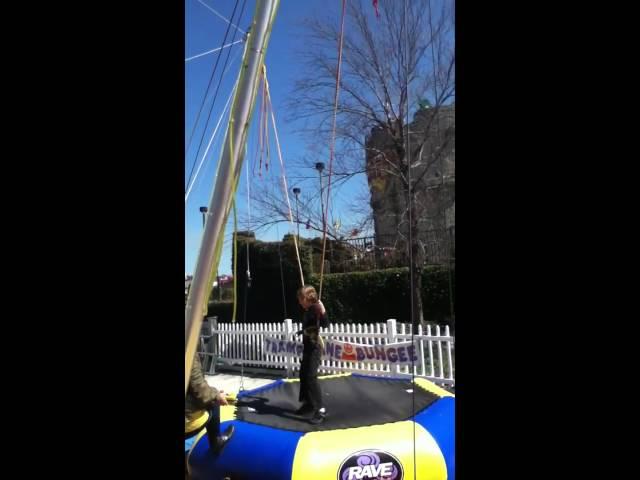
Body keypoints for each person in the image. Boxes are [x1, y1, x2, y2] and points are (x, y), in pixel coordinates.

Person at [185, 353, 235, 455]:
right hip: (187, 421)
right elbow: (201, 391)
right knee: (212, 400)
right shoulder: (189, 351)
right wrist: (217, 395)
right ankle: (215, 442)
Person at [295, 285, 329, 425]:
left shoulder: (315, 309)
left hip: (315, 347)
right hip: (308, 346)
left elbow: (324, 324)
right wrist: (301, 332)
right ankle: (308, 403)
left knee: (311, 377)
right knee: (303, 374)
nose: (299, 303)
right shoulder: (309, 309)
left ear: (306, 298)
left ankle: (320, 409)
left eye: (300, 300)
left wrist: (323, 310)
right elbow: (308, 327)